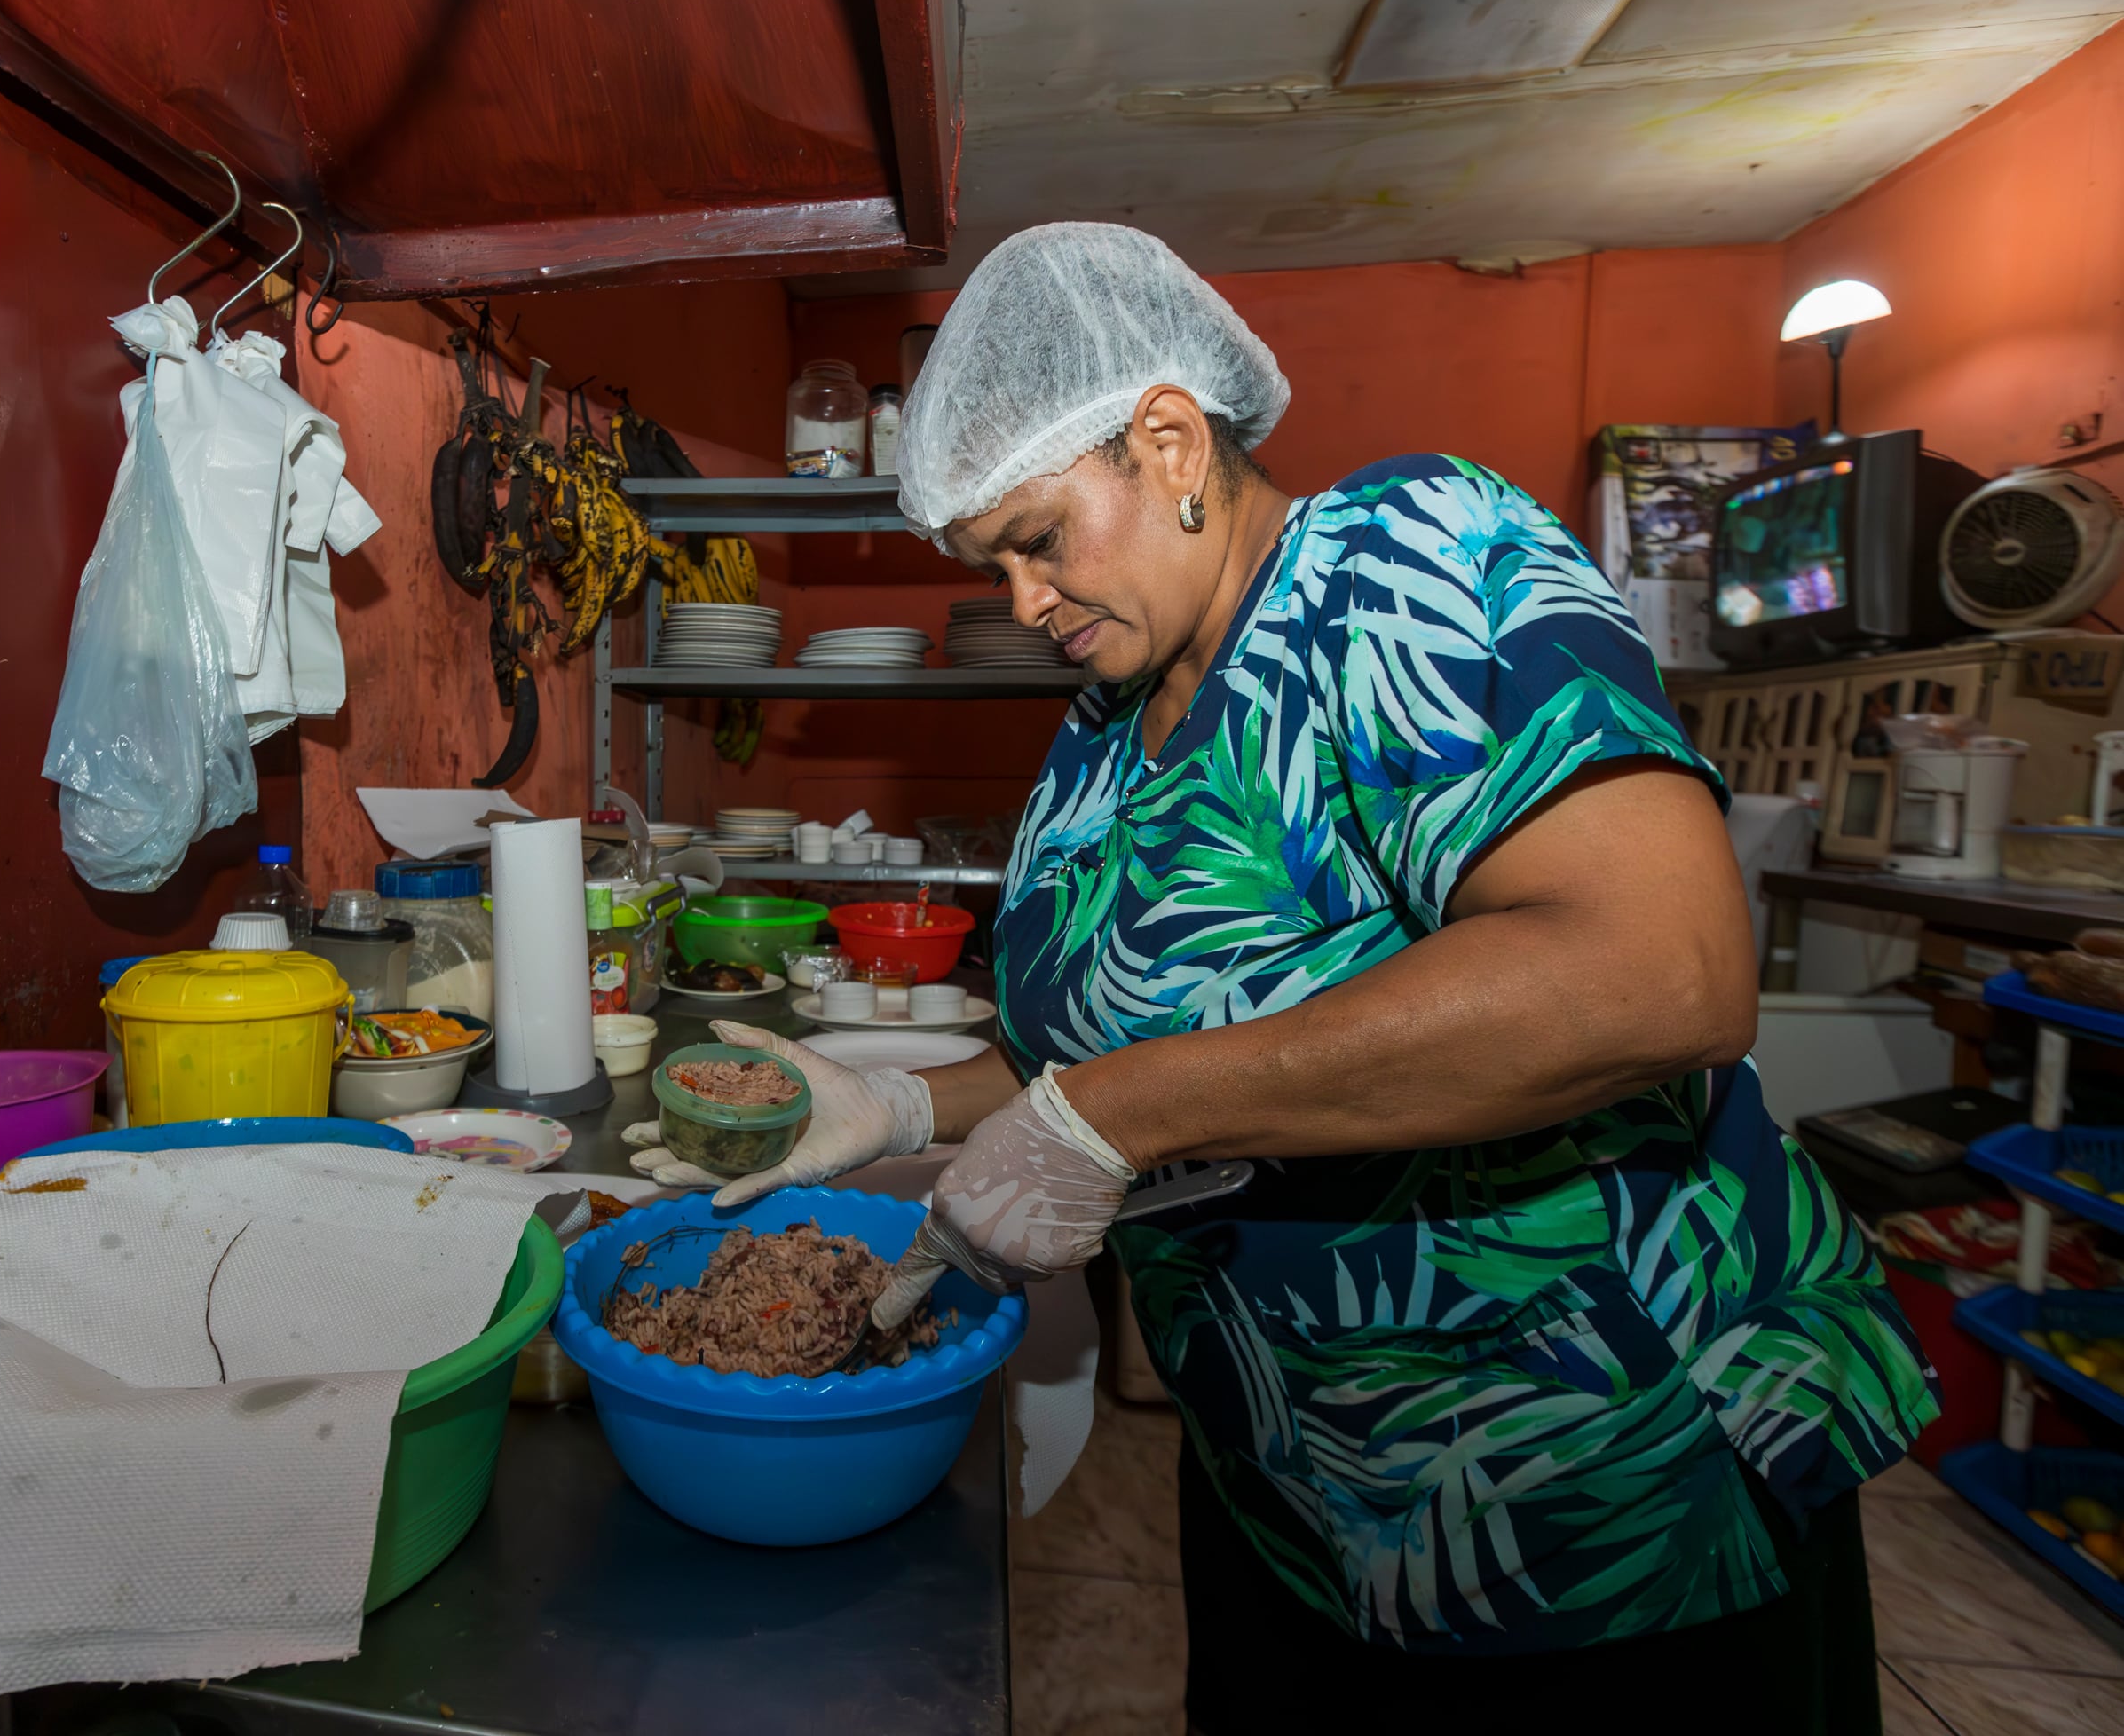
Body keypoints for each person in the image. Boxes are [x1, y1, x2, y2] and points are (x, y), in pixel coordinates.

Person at [631, 223, 1934, 1733]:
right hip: (1292, 1487)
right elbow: (1102, 1060)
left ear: (1172, 440)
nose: (1024, 600)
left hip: (1593, 1480)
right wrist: (900, 1096)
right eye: (989, 562)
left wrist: (1114, 1111)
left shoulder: (1404, 561)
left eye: (1040, 539)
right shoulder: (1107, 728)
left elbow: (1657, 969)